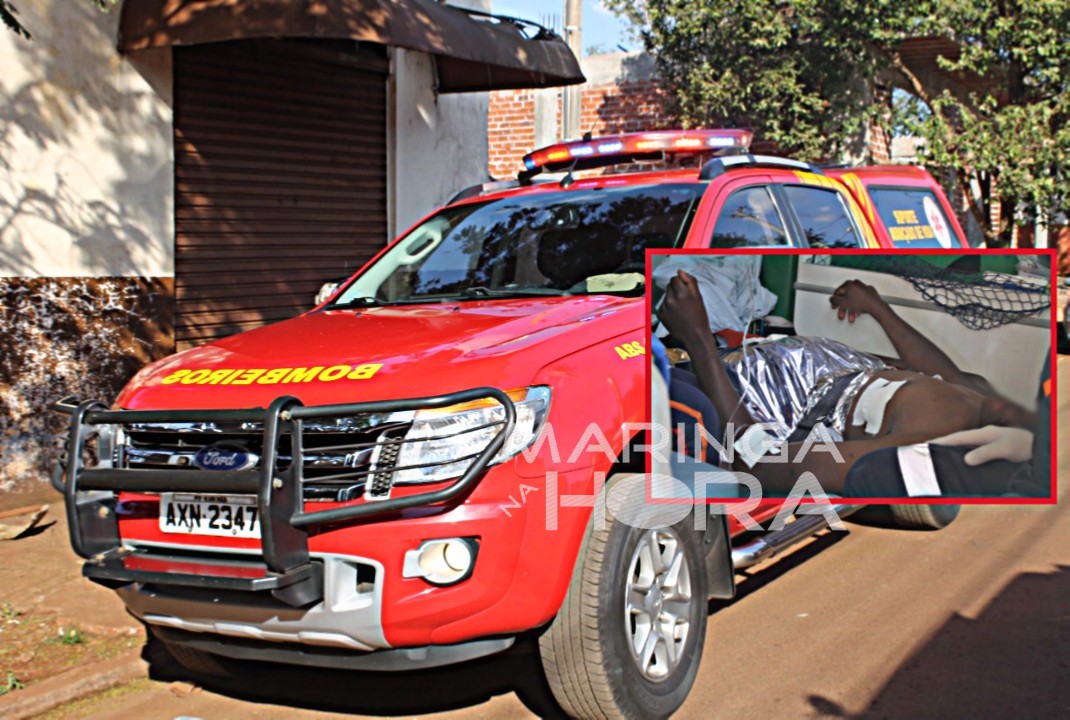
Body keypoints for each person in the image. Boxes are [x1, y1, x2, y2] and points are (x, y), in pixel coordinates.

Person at [657, 269, 1043, 497]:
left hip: (746, 390)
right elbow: (945, 373)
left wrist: (699, 340)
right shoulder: (984, 402)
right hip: (811, 357)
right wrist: (877, 306)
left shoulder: (922, 447)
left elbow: (761, 462)